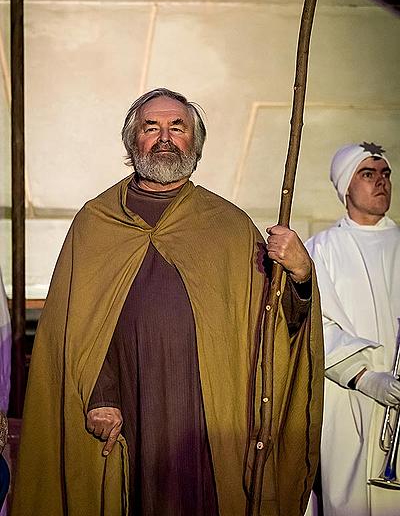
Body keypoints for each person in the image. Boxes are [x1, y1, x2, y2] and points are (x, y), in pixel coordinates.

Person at [12, 88, 323, 516]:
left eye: (177, 127)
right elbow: (72, 328)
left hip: (206, 415)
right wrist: (101, 394)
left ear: (194, 142)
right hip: (125, 409)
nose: (164, 137)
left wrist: (301, 276)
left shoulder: (229, 226)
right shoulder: (96, 221)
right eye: (150, 127)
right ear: (131, 142)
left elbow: (273, 326)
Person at [305, 141, 400, 516]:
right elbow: (312, 326)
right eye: (368, 173)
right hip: (349, 399)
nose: (381, 182)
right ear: (346, 185)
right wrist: (365, 377)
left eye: (386, 174)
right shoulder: (319, 250)